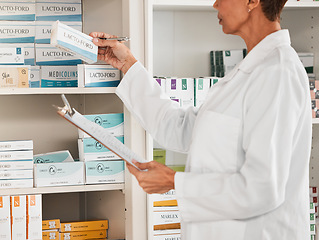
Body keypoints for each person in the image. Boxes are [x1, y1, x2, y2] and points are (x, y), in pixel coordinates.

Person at [90, 0, 312, 238]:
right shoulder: (249, 72)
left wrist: (175, 181)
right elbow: (180, 129)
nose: (215, 4)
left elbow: (263, 188)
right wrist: (128, 64)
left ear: (252, 1)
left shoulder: (277, 73)